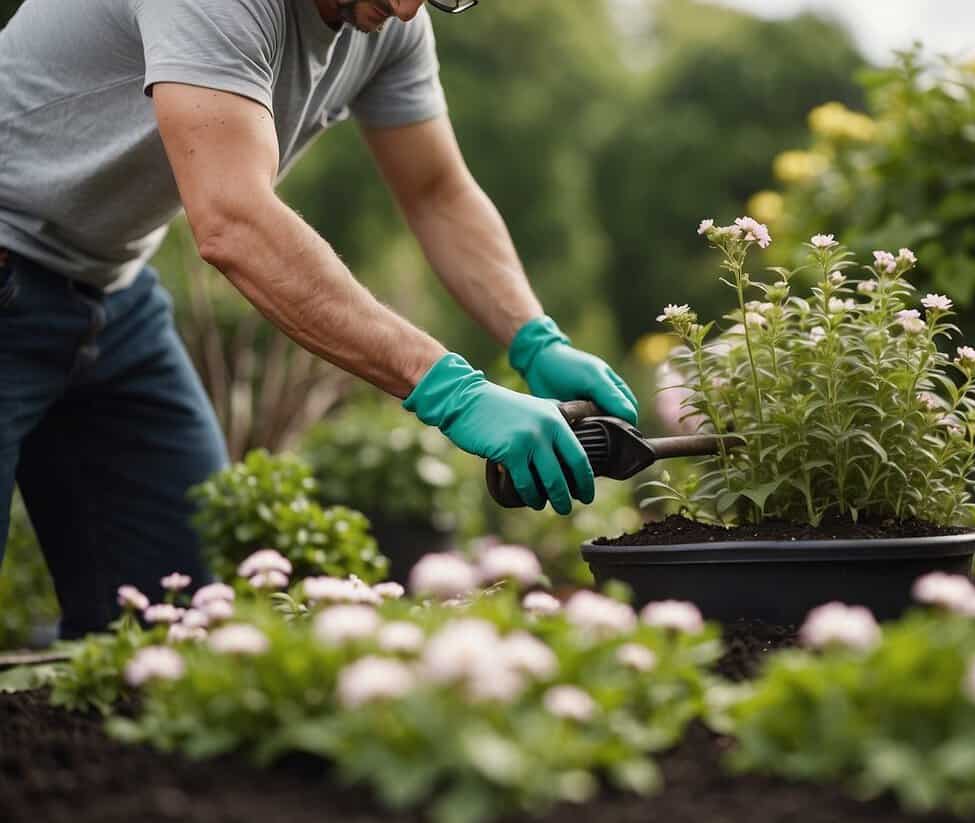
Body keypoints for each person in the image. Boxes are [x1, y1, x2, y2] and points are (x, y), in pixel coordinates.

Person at [0, 0, 638, 637]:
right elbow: (234, 221)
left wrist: (533, 338)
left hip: (108, 292)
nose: (408, 7)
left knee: (175, 619)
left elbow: (437, 193)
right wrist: (455, 392)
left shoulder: (394, 24)